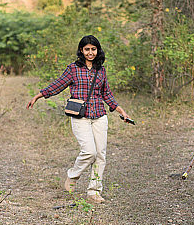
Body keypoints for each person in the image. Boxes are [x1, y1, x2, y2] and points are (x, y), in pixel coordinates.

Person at [27, 35, 130, 204]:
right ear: (81, 50)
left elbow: (106, 94)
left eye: (93, 49)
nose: (90, 52)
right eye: (87, 49)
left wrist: (121, 111)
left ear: (98, 50)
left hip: (99, 115)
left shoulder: (101, 70)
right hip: (80, 115)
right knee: (89, 151)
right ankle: (72, 176)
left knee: (100, 155)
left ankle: (94, 192)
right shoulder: (73, 69)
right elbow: (58, 85)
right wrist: (38, 96)